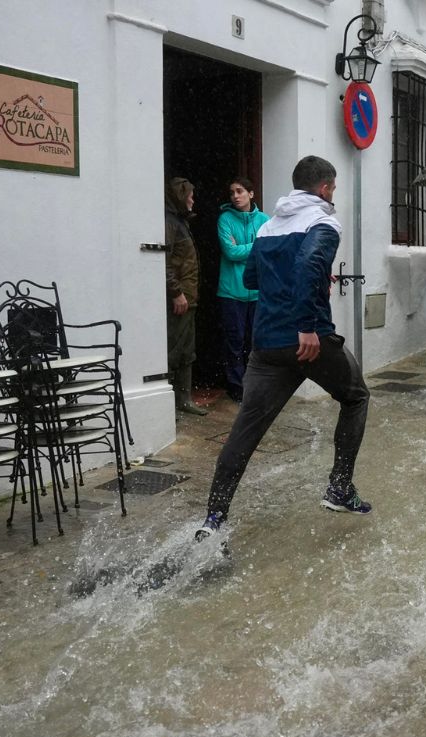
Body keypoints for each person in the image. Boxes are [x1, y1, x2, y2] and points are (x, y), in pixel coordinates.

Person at [194, 155, 372, 542]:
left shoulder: (270, 225)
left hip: (267, 343)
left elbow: (252, 276)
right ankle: (340, 488)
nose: (334, 193)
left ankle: (213, 520)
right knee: (356, 396)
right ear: (324, 188)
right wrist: (307, 325)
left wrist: (300, 280)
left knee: (245, 429)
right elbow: (309, 263)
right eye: (334, 187)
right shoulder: (324, 221)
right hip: (310, 341)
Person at [217, 176, 270, 402]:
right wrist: (257, 245)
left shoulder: (265, 220)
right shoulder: (225, 219)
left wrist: (247, 248)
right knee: (234, 342)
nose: (235, 196)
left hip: (258, 292)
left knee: (256, 341)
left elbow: (268, 251)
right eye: (232, 192)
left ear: (251, 194)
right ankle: (237, 387)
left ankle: (255, 385)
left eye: (239, 191)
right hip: (231, 292)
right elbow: (230, 252)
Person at [165, 177, 208, 416]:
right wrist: (176, 292)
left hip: (188, 298)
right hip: (179, 298)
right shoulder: (170, 223)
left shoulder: (180, 222)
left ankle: (184, 399)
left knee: (186, 350)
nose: (192, 199)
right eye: (190, 194)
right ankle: (169, 404)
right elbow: (165, 262)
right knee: (173, 351)